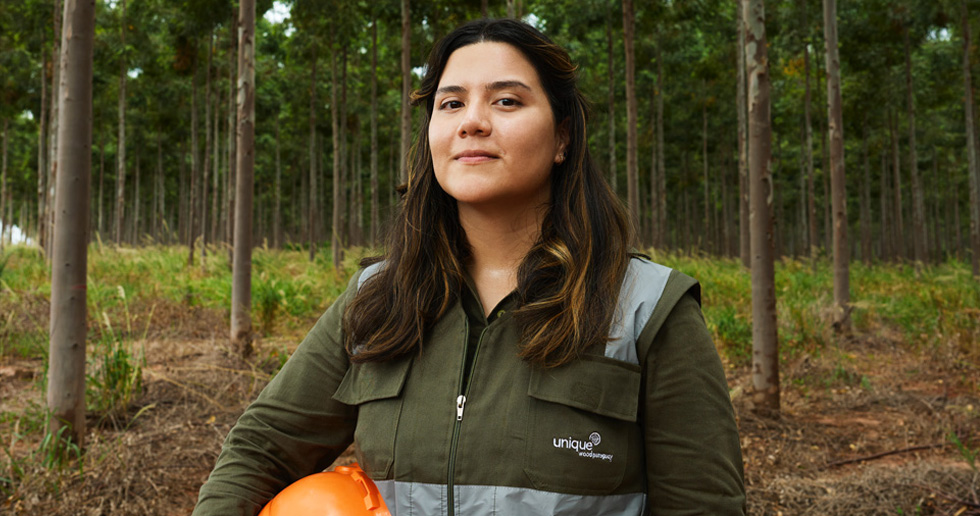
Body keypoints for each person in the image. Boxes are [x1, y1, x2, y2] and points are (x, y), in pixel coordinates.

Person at [193, 18, 745, 516]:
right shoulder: (378, 298)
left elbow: (704, 505)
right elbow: (261, 447)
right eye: (451, 103)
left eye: (506, 101)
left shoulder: (648, 308)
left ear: (562, 137)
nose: (472, 122)